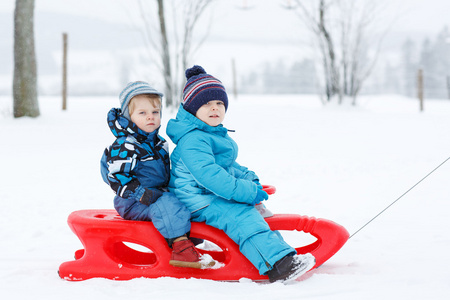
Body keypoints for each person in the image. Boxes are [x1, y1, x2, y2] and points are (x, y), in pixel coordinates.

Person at [166, 65, 316, 283]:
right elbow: (210, 176)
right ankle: (278, 264)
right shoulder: (193, 139)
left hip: (205, 195)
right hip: (194, 200)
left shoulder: (208, 132)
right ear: (192, 109)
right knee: (239, 215)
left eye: (219, 103)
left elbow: (228, 166)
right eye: (206, 104)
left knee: (251, 211)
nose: (214, 108)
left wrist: (249, 178)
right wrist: (245, 192)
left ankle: (273, 251)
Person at [100, 81, 214, 269]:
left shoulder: (159, 142)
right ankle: (181, 248)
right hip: (132, 201)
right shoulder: (125, 145)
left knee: (185, 198)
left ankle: (190, 238)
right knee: (167, 204)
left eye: (155, 112)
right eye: (142, 113)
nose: (150, 118)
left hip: (158, 194)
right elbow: (116, 177)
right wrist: (141, 194)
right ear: (129, 116)